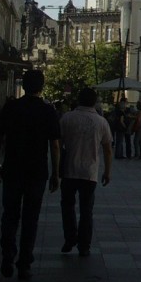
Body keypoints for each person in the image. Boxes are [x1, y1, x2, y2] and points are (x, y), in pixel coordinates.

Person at [0, 70, 61, 280]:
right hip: (37, 172)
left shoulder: (11, 107)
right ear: (42, 86)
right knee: (31, 218)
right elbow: (55, 145)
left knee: (10, 215)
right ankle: (24, 263)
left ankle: (7, 255)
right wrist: (56, 173)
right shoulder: (48, 111)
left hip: (12, 169)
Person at [58, 87, 112, 257]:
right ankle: (84, 245)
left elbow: (57, 144)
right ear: (94, 101)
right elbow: (108, 149)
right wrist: (107, 172)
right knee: (87, 210)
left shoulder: (67, 118)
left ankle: (69, 238)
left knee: (67, 206)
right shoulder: (101, 122)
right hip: (90, 172)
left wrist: (54, 169)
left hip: (69, 170)